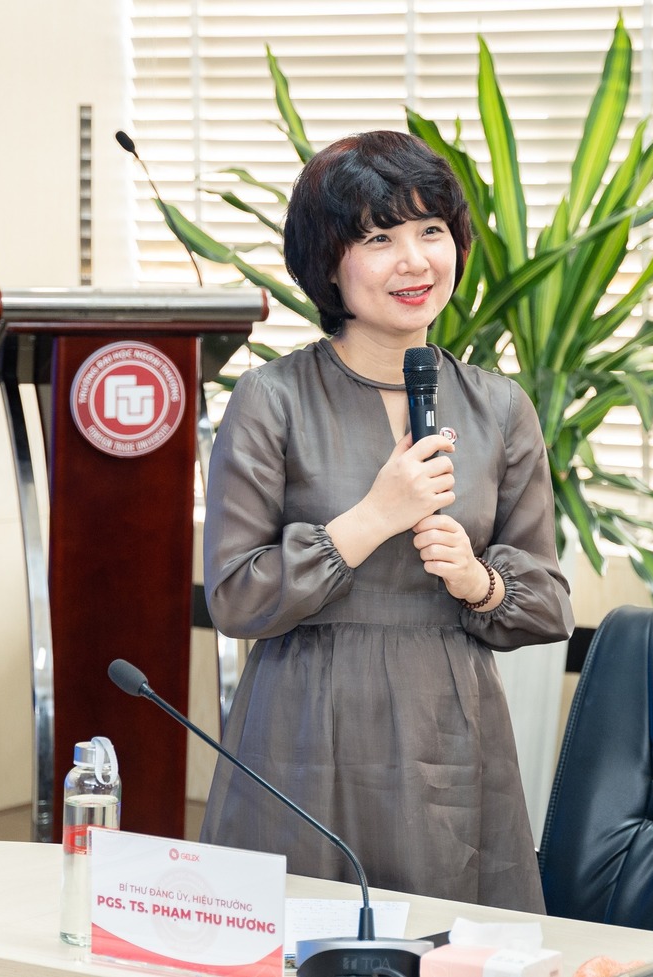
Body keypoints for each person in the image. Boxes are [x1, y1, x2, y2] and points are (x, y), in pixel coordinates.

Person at [200, 129, 574, 912]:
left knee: (450, 946)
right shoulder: (271, 398)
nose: (415, 261)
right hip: (302, 734)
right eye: (379, 238)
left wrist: (476, 579)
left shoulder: (501, 407)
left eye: (431, 231)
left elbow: (546, 599)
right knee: (296, 941)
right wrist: (371, 518)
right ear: (328, 262)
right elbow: (234, 595)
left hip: (449, 737)